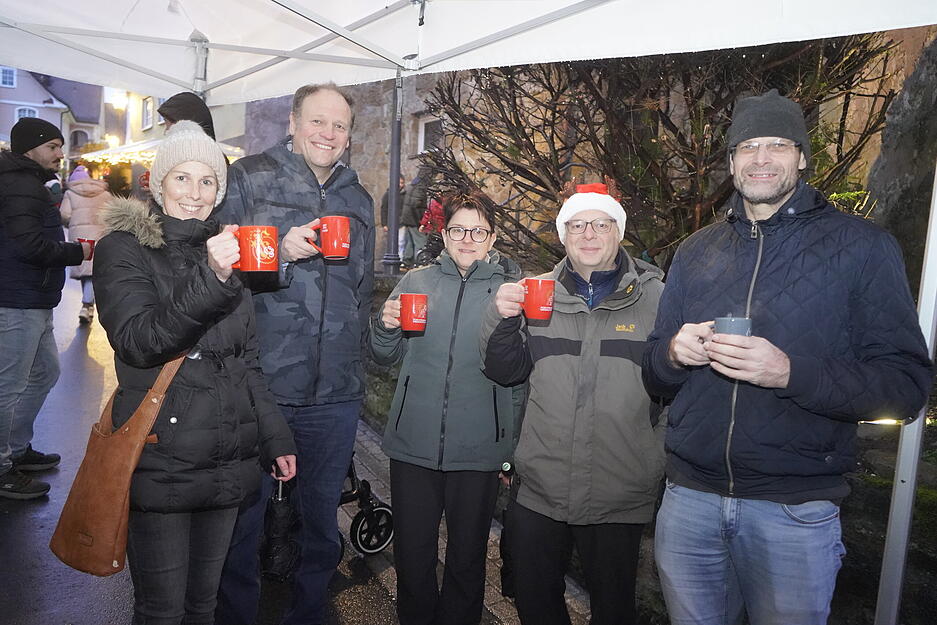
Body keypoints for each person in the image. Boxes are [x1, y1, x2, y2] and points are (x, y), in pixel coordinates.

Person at [642, 89, 933, 625]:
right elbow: (655, 374)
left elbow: (906, 385)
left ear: (801, 156)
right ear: (730, 163)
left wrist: (790, 373)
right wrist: (674, 356)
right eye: (747, 146)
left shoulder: (863, 247)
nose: (760, 158)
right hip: (690, 500)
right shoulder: (696, 251)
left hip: (794, 510)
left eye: (776, 144)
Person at [92, 120, 297, 624]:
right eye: (181, 178)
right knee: (162, 611)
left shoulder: (228, 254)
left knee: (203, 606)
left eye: (207, 181)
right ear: (158, 183)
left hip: (227, 457)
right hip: (161, 455)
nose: (194, 193)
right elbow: (141, 343)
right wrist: (213, 276)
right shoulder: (123, 249)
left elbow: (246, 361)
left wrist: (275, 438)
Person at [216, 82, 375, 625]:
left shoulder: (358, 198)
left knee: (320, 523)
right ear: (292, 121)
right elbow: (215, 274)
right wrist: (278, 255)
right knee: (245, 518)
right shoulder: (250, 177)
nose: (328, 134)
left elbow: (362, 287)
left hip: (336, 392)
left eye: (339, 126)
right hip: (262, 386)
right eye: (317, 121)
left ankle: (310, 615)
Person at [480, 182, 666, 625]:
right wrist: (498, 315)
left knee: (614, 607)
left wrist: (655, 459)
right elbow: (502, 370)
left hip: (619, 488)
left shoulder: (657, 297)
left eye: (600, 224)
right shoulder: (534, 290)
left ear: (618, 232)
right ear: (563, 235)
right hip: (541, 484)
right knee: (534, 600)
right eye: (577, 224)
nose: (588, 234)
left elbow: (676, 386)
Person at [371, 191, 524, 625]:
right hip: (413, 444)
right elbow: (384, 356)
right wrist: (384, 327)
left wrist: (508, 450)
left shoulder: (509, 292)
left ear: (492, 237)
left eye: (478, 230)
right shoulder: (416, 282)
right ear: (444, 233)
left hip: (478, 449)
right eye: (459, 229)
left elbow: (517, 377)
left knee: (466, 558)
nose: (467, 238)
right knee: (413, 554)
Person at [0, 117, 90, 500]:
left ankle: (16, 449)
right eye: (52, 146)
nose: (60, 153)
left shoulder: (28, 182)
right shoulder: (21, 184)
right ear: (30, 149)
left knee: (44, 373)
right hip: (16, 299)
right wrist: (78, 251)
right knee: (10, 384)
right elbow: (28, 246)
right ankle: (3, 465)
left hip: (30, 298)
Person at [59, 165, 111, 324]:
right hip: (100, 235)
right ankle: (88, 305)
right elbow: (113, 213)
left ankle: (86, 305)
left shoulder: (70, 193)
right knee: (94, 271)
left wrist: (72, 223)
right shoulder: (104, 193)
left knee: (85, 270)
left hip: (80, 238)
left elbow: (65, 215)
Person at [399, 165, 431, 268]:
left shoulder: (414, 183)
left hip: (408, 217)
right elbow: (416, 203)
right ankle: (420, 262)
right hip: (414, 218)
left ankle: (406, 262)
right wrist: (420, 222)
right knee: (420, 241)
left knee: (410, 241)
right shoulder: (421, 186)